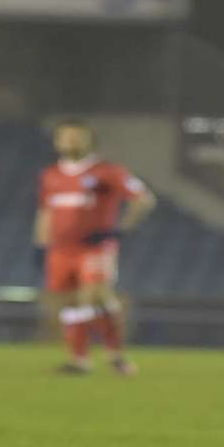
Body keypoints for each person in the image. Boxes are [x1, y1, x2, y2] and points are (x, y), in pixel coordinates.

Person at [35, 119, 155, 376]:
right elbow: (46, 212)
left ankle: (116, 356)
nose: (70, 142)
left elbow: (143, 200)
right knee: (69, 305)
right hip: (60, 249)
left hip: (95, 248)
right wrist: (39, 244)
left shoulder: (108, 172)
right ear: (57, 141)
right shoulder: (50, 175)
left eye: (76, 137)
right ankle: (80, 360)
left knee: (92, 296)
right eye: (65, 137)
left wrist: (119, 230)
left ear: (89, 140)